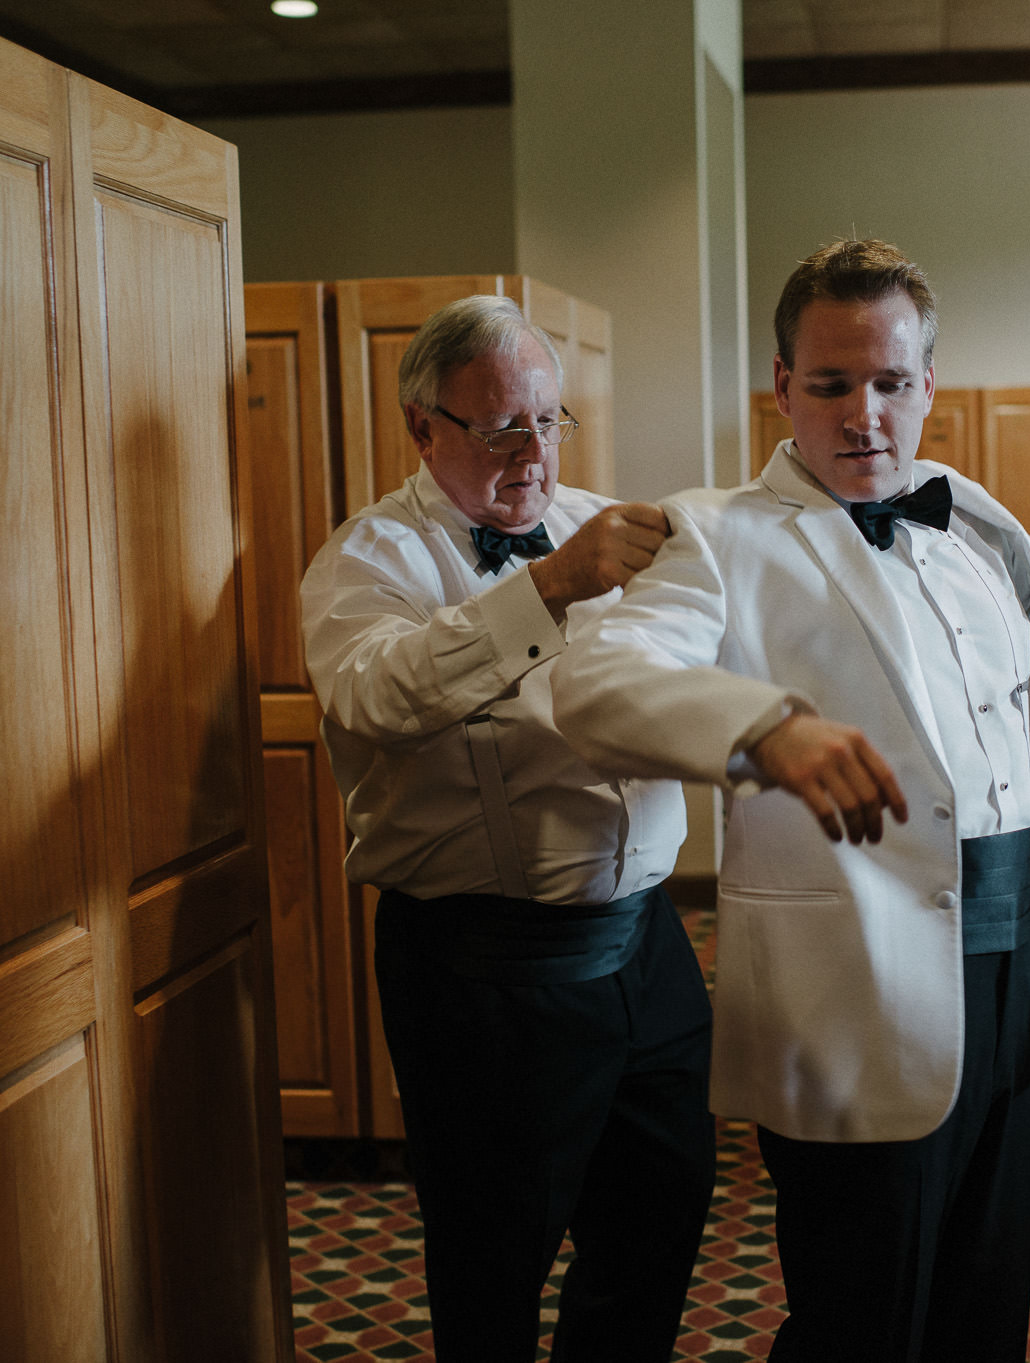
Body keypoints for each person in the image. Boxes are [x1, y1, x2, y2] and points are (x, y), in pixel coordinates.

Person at [552, 239, 1030, 1361]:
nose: (864, 415)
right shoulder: (715, 533)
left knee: (981, 1304)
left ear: (926, 385)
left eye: (891, 383)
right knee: (861, 1321)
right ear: (782, 389)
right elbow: (598, 682)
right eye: (832, 384)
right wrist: (761, 725)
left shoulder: (976, 525)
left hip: (1005, 974)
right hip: (853, 982)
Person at [298, 294, 712, 1363]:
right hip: (484, 972)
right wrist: (549, 587)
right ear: (421, 427)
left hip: (648, 950)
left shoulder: (601, 522)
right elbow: (376, 696)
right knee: (492, 1261)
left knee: (658, 1224)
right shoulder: (367, 560)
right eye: (499, 429)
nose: (533, 451)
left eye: (548, 420)